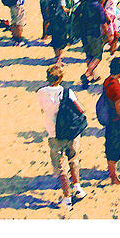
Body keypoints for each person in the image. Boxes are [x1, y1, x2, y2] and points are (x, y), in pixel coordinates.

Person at [36, 66, 88, 210]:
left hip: (54, 133)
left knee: (60, 167)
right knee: (73, 158)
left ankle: (66, 198)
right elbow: (81, 109)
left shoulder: (41, 92)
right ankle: (77, 187)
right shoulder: (67, 92)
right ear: (61, 78)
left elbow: (43, 109)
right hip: (70, 132)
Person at [76, 0, 108, 85]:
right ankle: (87, 73)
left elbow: (76, 14)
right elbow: (103, 22)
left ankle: (92, 76)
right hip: (94, 33)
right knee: (98, 56)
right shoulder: (98, 6)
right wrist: (107, 34)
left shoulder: (84, 3)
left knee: (89, 55)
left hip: (83, 32)